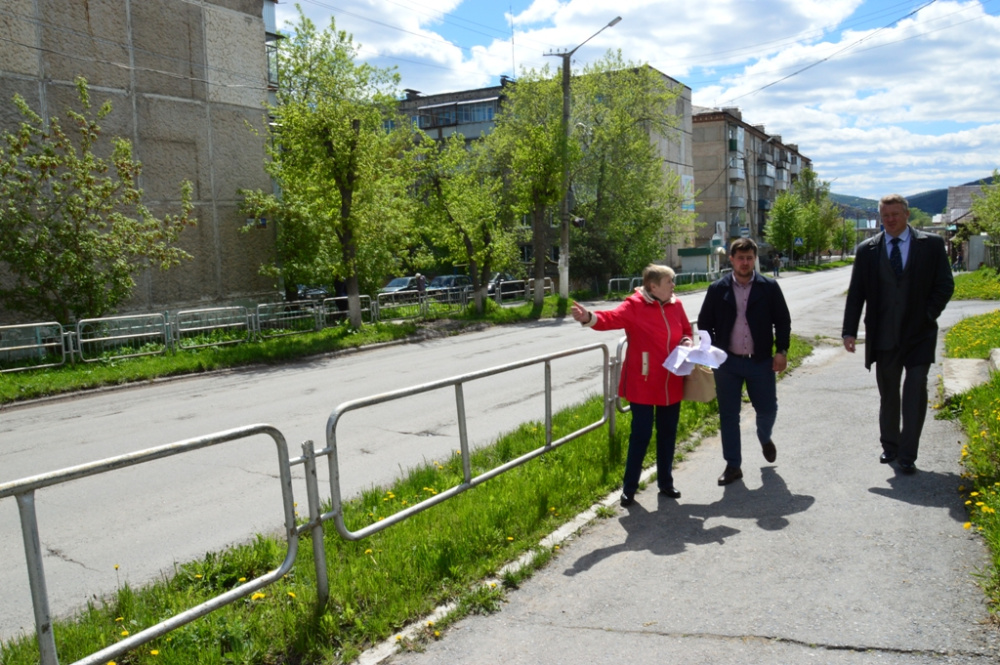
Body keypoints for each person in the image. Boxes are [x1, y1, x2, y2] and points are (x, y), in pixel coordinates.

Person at [842, 194, 954, 474]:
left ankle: (908, 454)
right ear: (880, 218)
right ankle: (890, 445)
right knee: (889, 394)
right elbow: (856, 293)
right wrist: (849, 331)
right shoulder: (868, 250)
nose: (890, 220)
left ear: (907, 215)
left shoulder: (931, 245)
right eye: (885, 216)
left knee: (915, 390)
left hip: (919, 334)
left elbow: (944, 285)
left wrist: (928, 314)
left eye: (895, 214)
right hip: (884, 335)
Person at [571, 264, 693, 507]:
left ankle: (666, 482)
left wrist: (687, 341)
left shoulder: (676, 304)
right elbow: (610, 318)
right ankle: (629, 488)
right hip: (643, 382)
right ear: (653, 286)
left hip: (670, 381)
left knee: (668, 433)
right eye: (669, 281)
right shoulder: (634, 305)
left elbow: (686, 330)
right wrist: (588, 318)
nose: (673, 285)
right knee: (641, 435)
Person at [697, 237, 791, 486]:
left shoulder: (769, 287)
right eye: (741, 258)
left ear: (755, 259)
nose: (745, 263)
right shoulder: (718, 289)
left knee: (768, 409)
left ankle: (764, 437)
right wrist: (712, 350)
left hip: (760, 361)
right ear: (731, 259)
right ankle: (733, 466)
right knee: (729, 415)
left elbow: (783, 321)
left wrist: (781, 350)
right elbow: (704, 323)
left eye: (749, 258)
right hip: (727, 363)